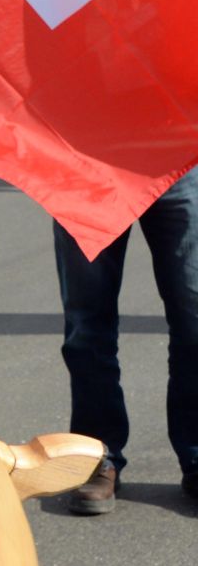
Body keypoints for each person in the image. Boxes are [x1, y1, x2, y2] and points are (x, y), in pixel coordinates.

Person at [54, 167, 198, 514]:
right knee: (87, 323)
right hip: (86, 165)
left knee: (194, 317)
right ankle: (96, 455)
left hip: (178, 157)